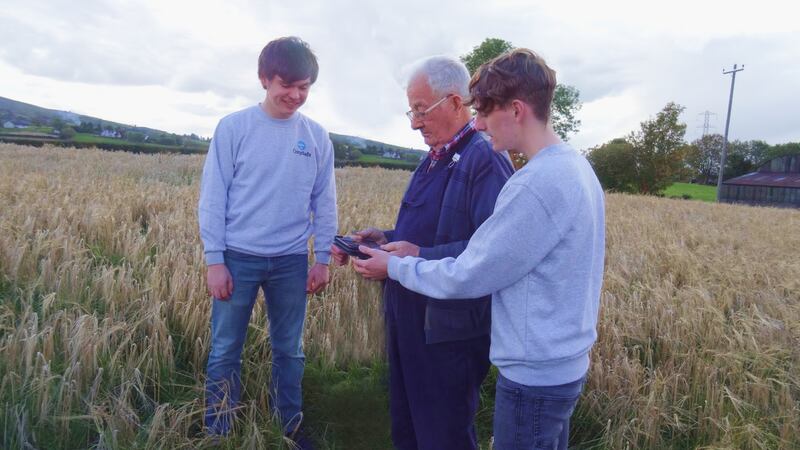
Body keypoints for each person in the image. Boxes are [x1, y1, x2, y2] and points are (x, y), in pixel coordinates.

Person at [353, 49, 605, 450]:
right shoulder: (574, 168)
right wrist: (391, 242)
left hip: (532, 373)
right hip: (554, 366)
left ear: (517, 110)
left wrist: (399, 265)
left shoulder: (534, 182)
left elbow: (474, 270)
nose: (480, 123)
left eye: (485, 112)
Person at [331, 56, 514, 450]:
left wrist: (412, 258)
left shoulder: (486, 158)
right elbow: (425, 235)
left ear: (453, 102)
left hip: (449, 333)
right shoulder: (432, 158)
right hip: (410, 320)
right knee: (410, 426)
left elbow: (496, 252)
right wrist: (383, 239)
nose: (413, 122)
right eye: (410, 110)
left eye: (419, 110)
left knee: (442, 434)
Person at [198, 36, 336, 445]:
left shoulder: (316, 137)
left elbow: (324, 200)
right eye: (286, 85)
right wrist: (214, 260)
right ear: (263, 79)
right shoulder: (234, 127)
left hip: (291, 261)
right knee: (225, 349)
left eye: (304, 87)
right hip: (237, 258)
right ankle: (218, 430)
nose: (295, 95)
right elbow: (213, 196)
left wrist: (323, 257)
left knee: (289, 351)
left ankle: (288, 426)